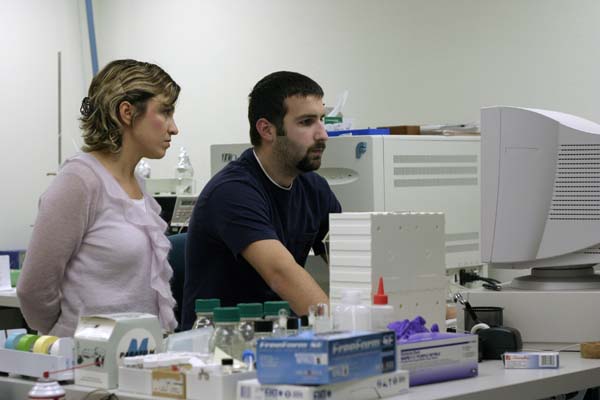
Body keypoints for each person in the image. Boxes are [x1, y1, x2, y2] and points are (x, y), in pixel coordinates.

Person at [17, 59, 181, 337]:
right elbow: (33, 289)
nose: (173, 127)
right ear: (127, 112)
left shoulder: (136, 185)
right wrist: (67, 337)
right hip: (88, 364)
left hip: (137, 357)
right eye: (164, 112)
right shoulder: (79, 181)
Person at [182, 71, 341, 330]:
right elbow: (281, 274)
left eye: (321, 120)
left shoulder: (314, 189)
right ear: (267, 129)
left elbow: (351, 260)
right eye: (306, 122)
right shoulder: (232, 191)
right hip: (221, 345)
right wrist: (346, 333)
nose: (323, 135)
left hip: (278, 336)